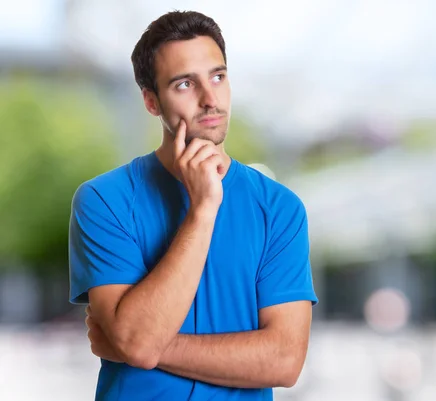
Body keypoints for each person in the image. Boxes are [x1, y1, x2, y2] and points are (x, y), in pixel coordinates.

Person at [68, 10, 318, 401]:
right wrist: (202, 210)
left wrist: (147, 347)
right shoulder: (103, 200)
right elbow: (136, 341)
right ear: (151, 102)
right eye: (184, 84)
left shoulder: (280, 210)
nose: (209, 99)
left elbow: (284, 361)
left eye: (218, 77)